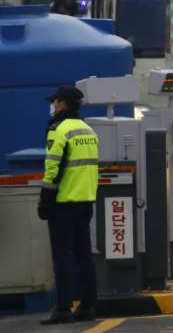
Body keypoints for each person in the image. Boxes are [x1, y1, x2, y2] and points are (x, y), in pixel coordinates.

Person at [38, 86, 99, 325]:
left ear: (62, 104)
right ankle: (87, 306)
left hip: (64, 202)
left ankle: (62, 309)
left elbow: (53, 168)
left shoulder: (58, 130)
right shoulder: (88, 130)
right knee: (84, 255)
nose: (52, 106)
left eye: (54, 102)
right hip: (86, 201)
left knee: (61, 256)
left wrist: (45, 200)